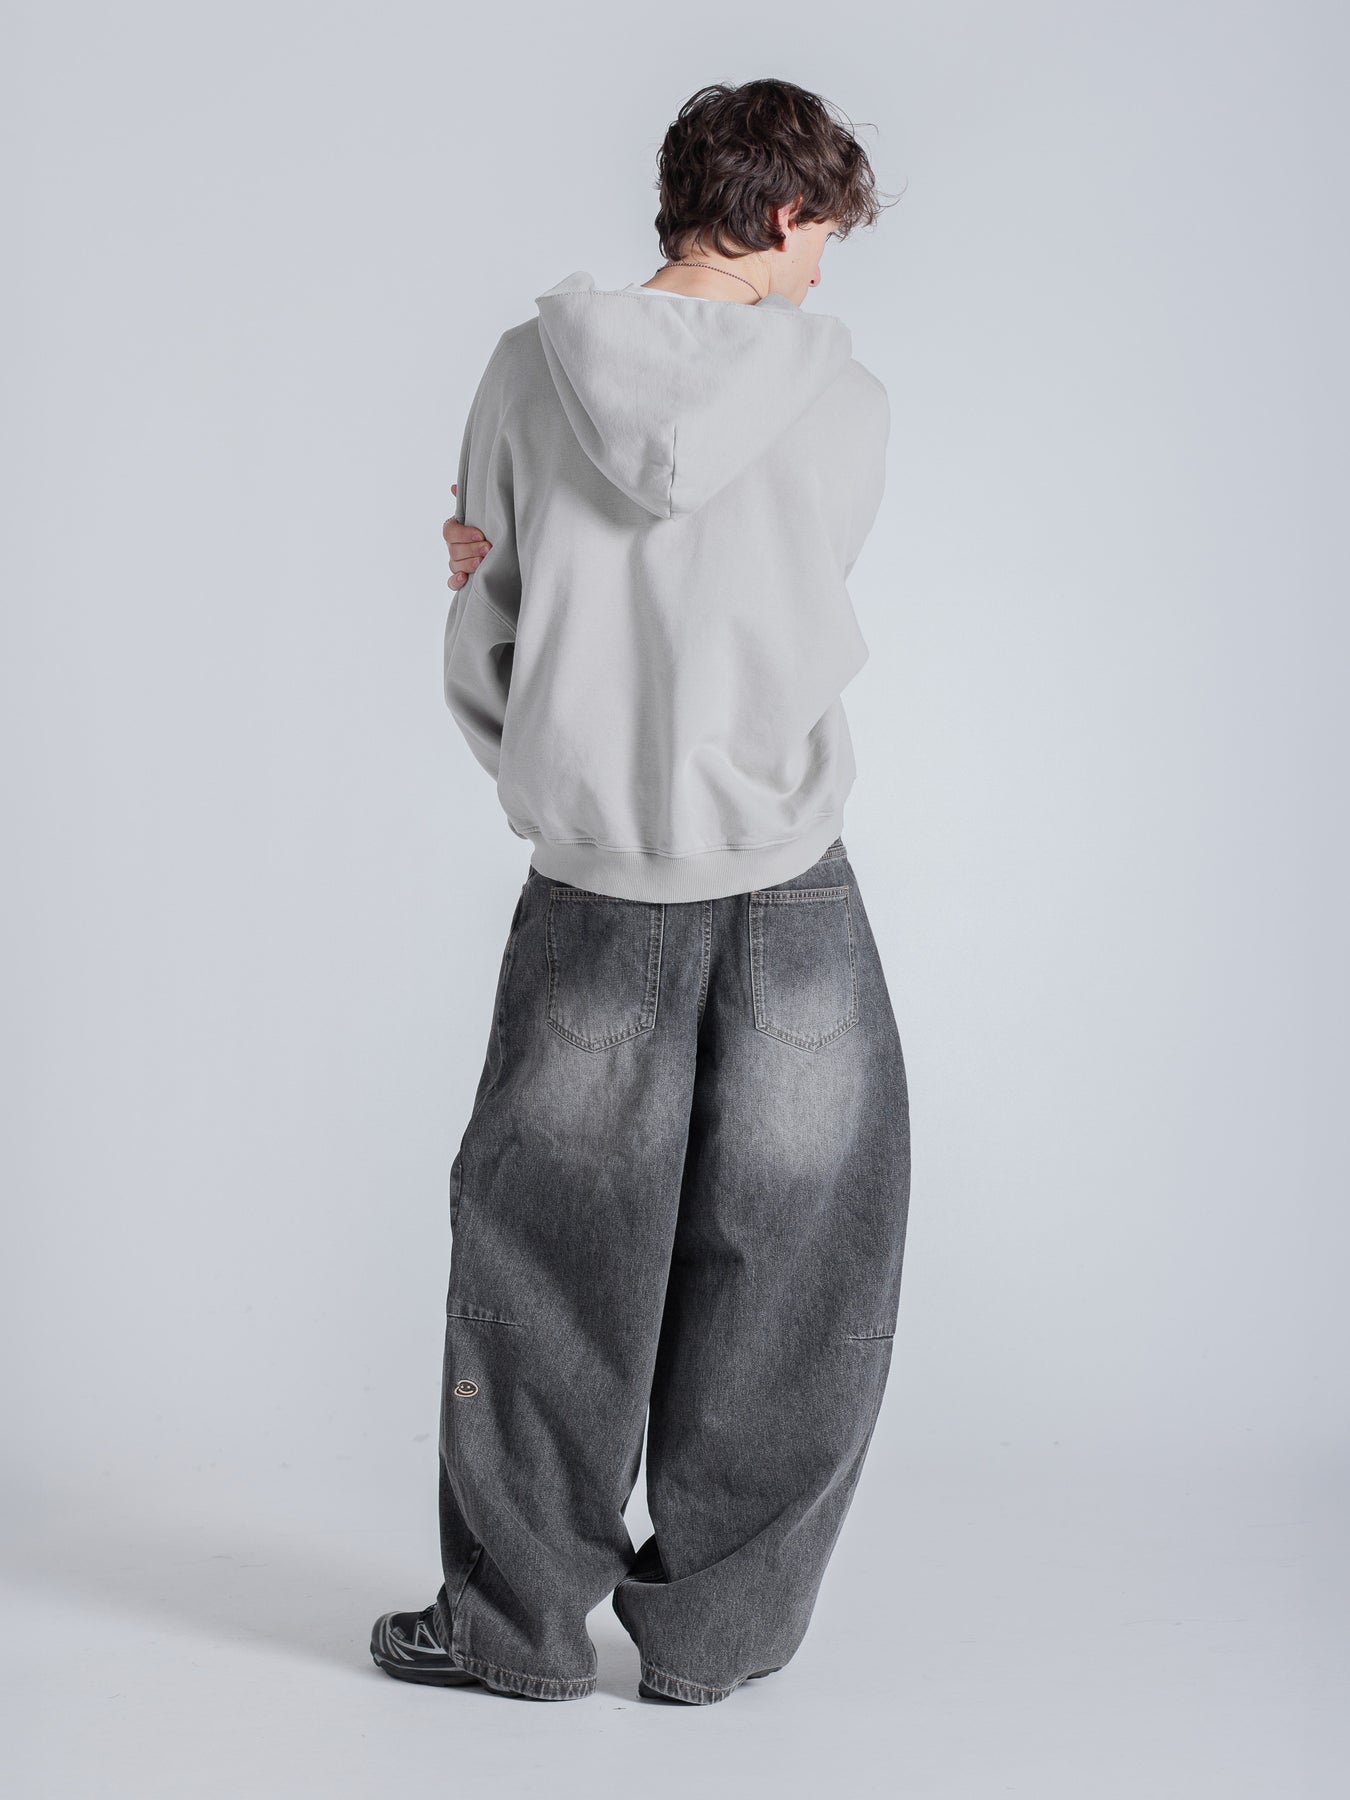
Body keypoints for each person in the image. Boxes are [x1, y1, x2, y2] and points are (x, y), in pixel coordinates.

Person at [370, 77, 911, 1706]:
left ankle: (513, 1632)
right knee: (797, 1280)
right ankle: (713, 1644)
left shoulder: (522, 371)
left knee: (542, 1274)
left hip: (594, 888)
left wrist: (549, 752)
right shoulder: (842, 393)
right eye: (823, 237)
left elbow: (484, 619)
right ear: (783, 212)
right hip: (789, 890)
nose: (819, 271)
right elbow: (796, 600)